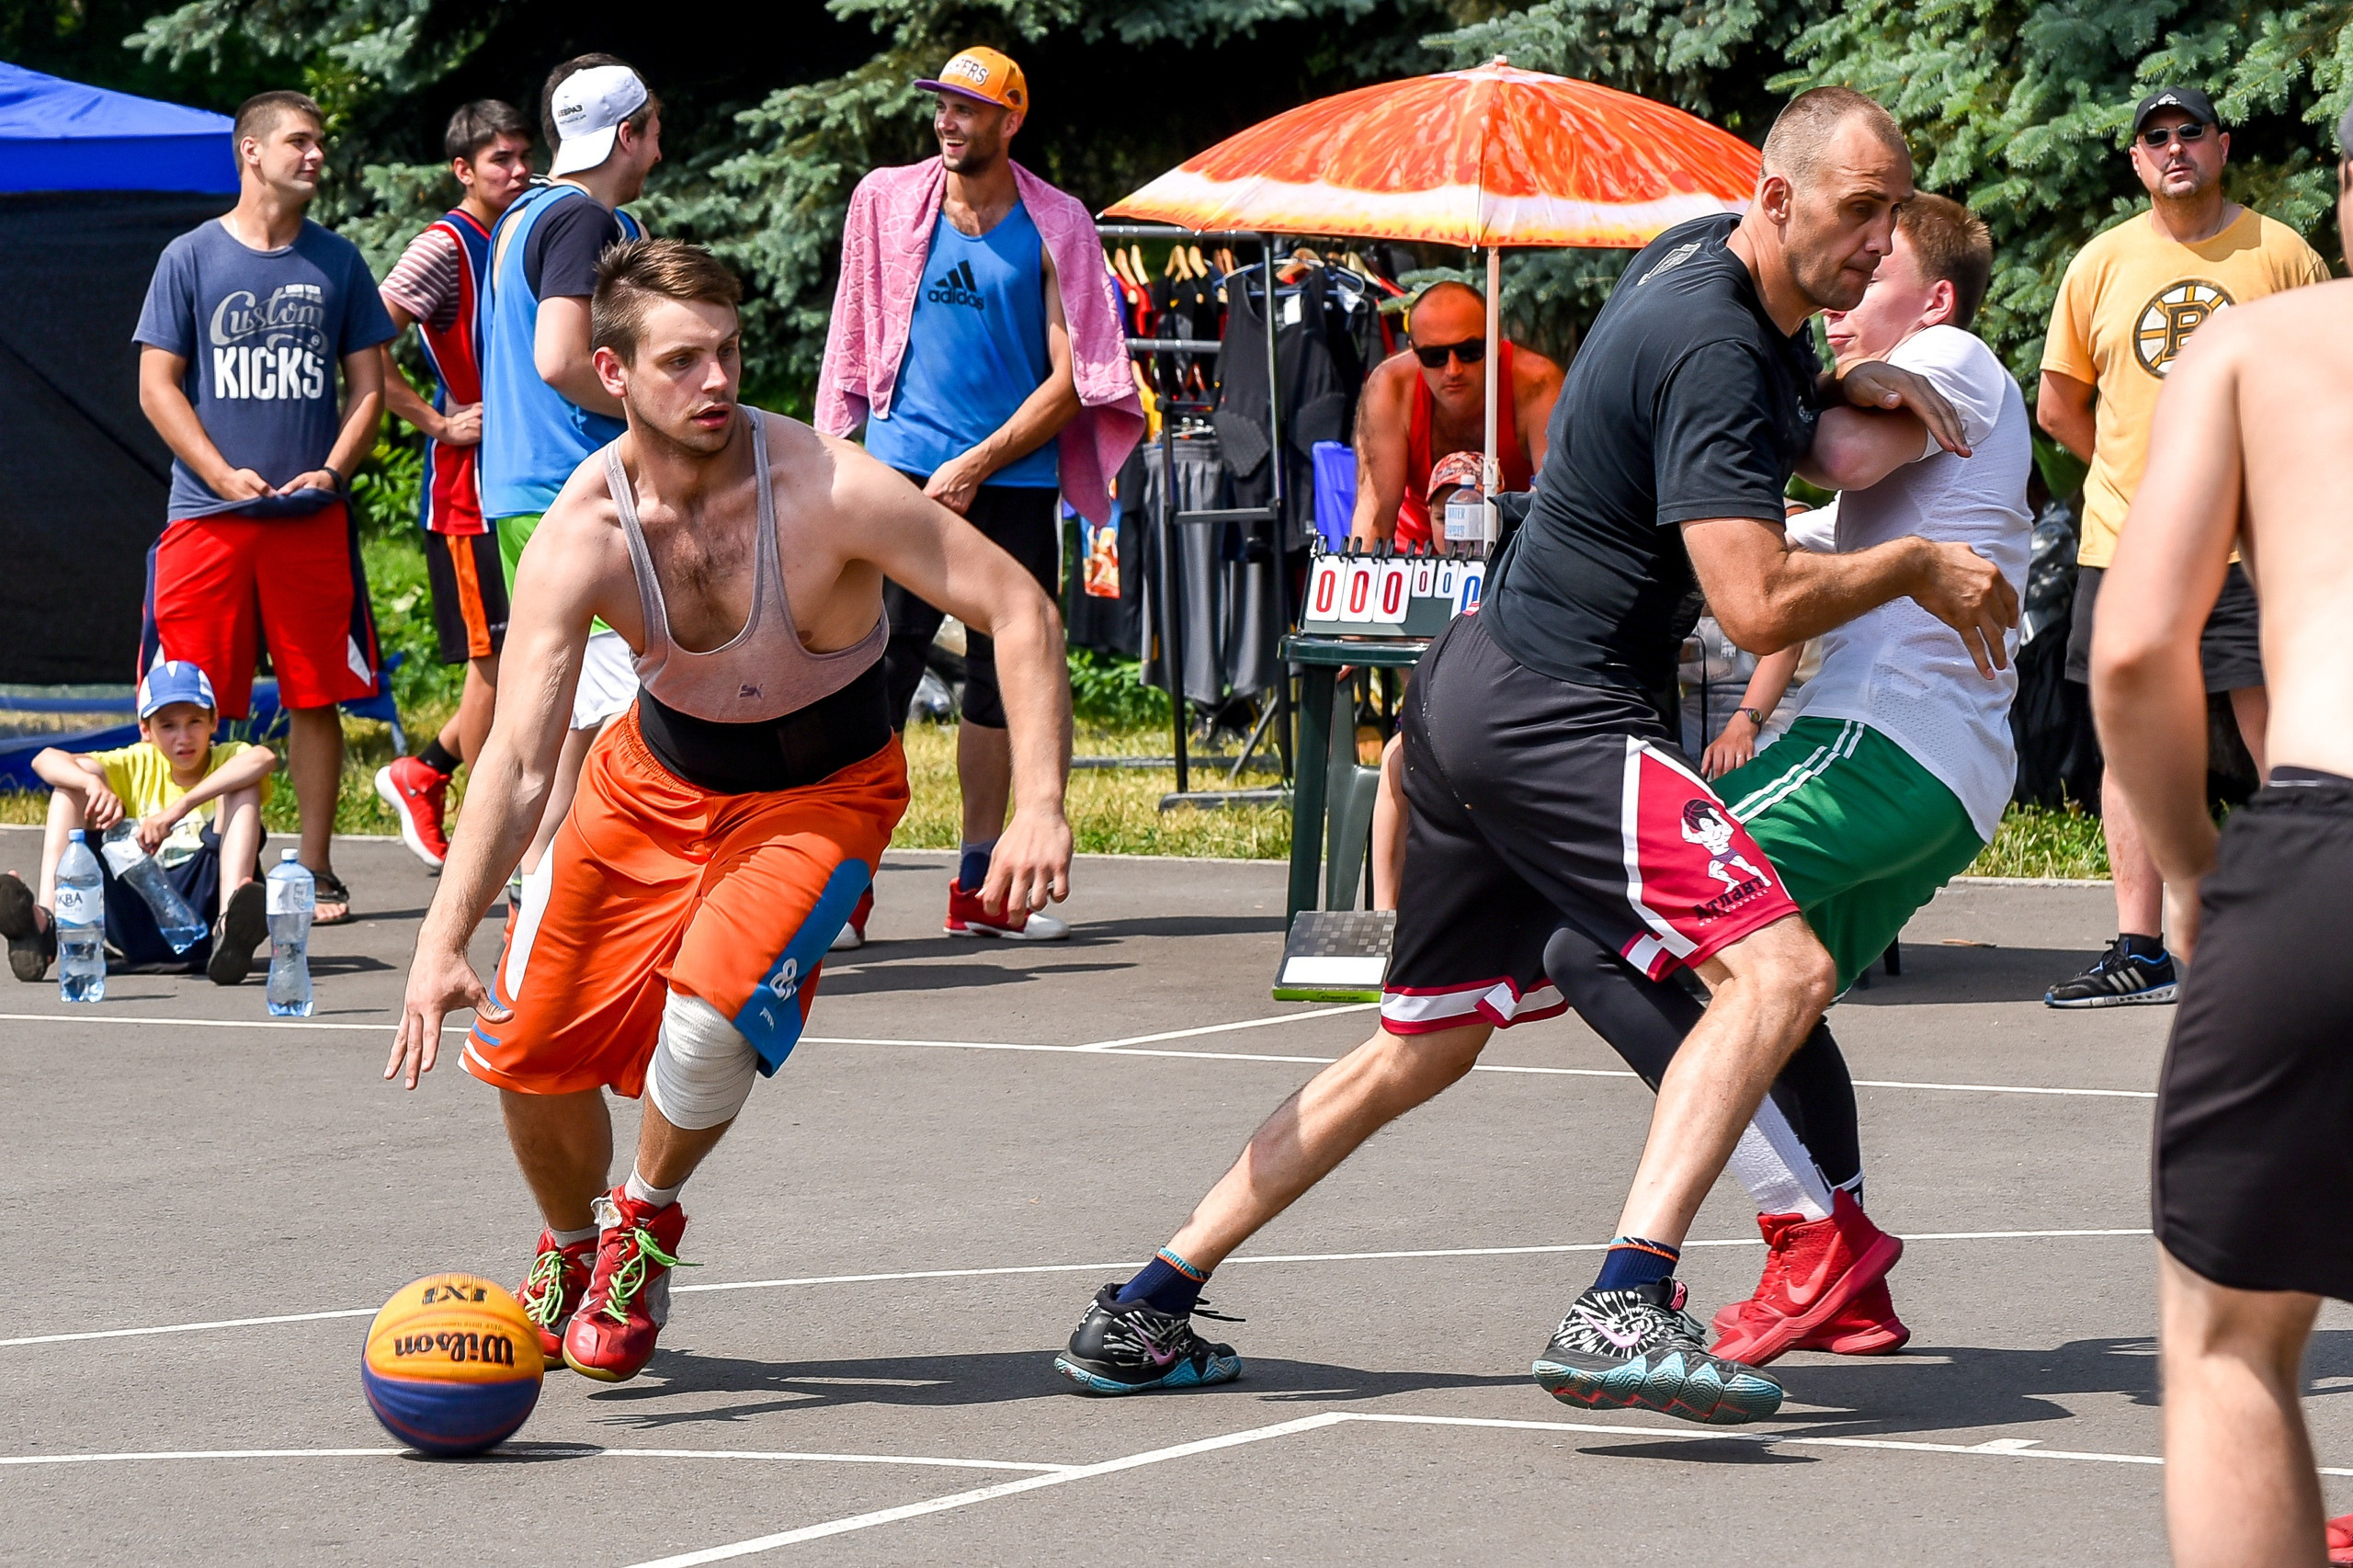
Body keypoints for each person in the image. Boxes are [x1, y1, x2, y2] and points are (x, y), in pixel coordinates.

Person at [1053, 87, 2014, 1420]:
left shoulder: (1696, 252)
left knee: (1420, 1045)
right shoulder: (1720, 353)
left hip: (1468, 693)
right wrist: (1911, 561)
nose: (1879, 239)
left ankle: (1146, 1302)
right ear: (1780, 201)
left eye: (1895, 213)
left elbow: (1793, 401)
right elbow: (1753, 602)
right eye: (1861, 212)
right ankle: (1627, 1295)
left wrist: (1858, 375)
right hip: (1557, 713)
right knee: (1779, 965)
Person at [387, 239, 1075, 1383]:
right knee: (525, 1051)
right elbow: (512, 760)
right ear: (612, 371)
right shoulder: (583, 534)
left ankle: (643, 1225)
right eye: (681, 360)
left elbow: (1021, 608)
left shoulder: (830, 485)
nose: (716, 380)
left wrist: (1039, 805)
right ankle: (569, 1243)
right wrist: (437, 939)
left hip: (823, 792)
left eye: (729, 352)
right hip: (650, 783)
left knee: (711, 1020)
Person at [1551, 193, 2032, 1367]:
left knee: (1605, 937)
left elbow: (1846, 447)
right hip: (1937, 774)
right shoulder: (1904, 406)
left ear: (1935, 299)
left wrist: (1743, 377)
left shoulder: (1950, 359)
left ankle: (1810, 1234)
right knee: (1771, 982)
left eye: (1876, 272)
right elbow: (1789, 536)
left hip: (1883, 743)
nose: (1846, 295)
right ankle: (1848, 1275)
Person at [2090, 108, 2353, 1568]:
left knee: (2232, 1339)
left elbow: (2135, 651)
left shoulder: (2265, 342)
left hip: (2326, 858)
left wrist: (2195, 869)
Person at [817, 45, 1142, 946]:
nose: (946, 121)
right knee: (873, 676)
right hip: (899, 473)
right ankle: (843, 886)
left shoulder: (1055, 223)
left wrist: (980, 461)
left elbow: (1075, 375)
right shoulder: (886, 202)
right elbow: (855, 320)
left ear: (1009, 121)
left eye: (966, 108)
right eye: (941, 107)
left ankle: (982, 887)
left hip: (1013, 481)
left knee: (1003, 686)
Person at [2038, 85, 2327, 1008]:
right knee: (2131, 743)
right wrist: (2155, 486)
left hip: (2252, 543)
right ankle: (2141, 946)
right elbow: (2059, 402)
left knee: (2275, 728)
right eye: (2153, 137)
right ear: (2134, 160)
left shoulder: (2280, 253)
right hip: (2125, 542)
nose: (2172, 148)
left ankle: (2304, 925)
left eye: (2188, 133)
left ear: (2221, 144)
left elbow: (2331, 376)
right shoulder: (2098, 264)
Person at [132, 89, 395, 926]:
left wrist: (329, 468)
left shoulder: (340, 262)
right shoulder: (190, 256)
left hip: (308, 524)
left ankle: (314, 870)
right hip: (206, 521)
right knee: (195, 703)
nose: (315, 154)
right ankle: (206, 874)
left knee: (316, 698)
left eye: (320, 142)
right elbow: (156, 387)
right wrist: (218, 471)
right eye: (299, 141)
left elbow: (370, 390)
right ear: (251, 151)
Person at [478, 56, 659, 894]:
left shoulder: (522, 212)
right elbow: (558, 357)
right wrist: (652, 411)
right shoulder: (583, 219)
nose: (657, 150)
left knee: (574, 715)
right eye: (652, 131)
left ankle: (541, 883)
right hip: (570, 488)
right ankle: (571, 891)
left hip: (526, 483)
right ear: (628, 134)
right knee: (632, 707)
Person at [372, 100, 536, 869]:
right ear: (463, 170)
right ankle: (484, 841)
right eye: (499, 160)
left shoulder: (520, 229)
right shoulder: (445, 246)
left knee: (518, 667)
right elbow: (364, 338)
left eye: (523, 155)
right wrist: (434, 423)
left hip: (520, 482)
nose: (518, 170)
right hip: (468, 494)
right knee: (497, 671)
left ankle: (425, 773)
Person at [0, 662, 273, 986]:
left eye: (195, 722)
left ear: (214, 721)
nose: (183, 738)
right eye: (168, 726)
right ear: (146, 730)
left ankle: (230, 928)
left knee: (243, 784)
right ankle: (46, 922)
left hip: (205, 911)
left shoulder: (230, 756)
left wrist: (178, 809)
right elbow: (43, 759)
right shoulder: (136, 761)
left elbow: (263, 758)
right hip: (139, 914)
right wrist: (91, 785)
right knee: (71, 784)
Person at [1347, 280, 1562, 548]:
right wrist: (1364, 582)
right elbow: (1374, 514)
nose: (1453, 369)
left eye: (1469, 352)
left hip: (1510, 555)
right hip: (1415, 558)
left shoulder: (1537, 384)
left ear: (1495, 341)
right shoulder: (1391, 388)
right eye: (1435, 356)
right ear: (1414, 351)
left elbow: (1557, 506)